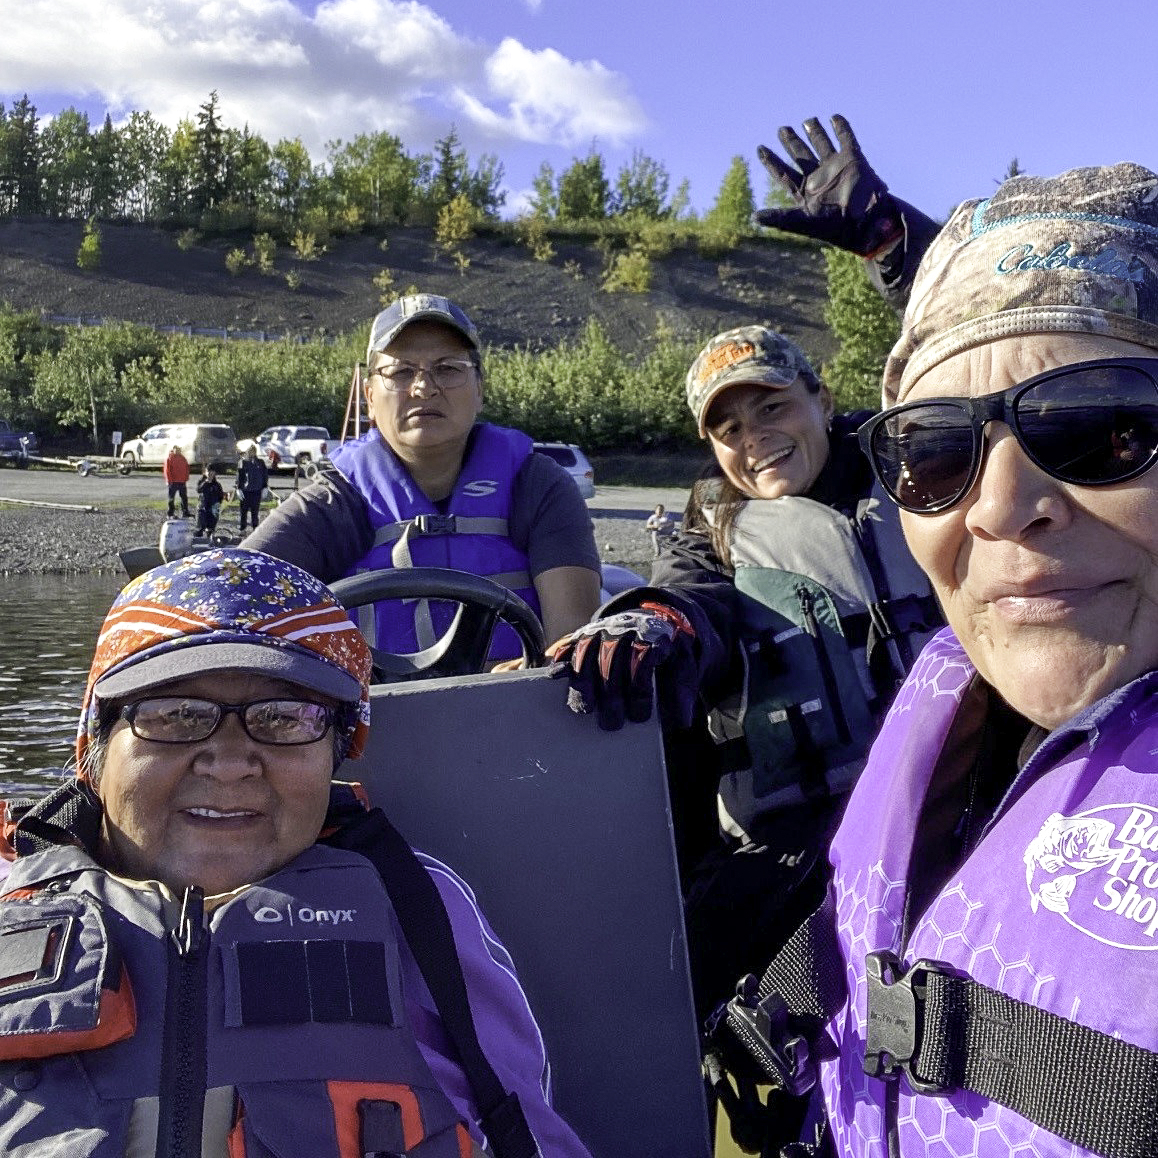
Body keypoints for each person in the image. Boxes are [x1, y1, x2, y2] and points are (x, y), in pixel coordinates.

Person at [722, 162, 1158, 1158]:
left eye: (1100, 428)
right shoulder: (724, 537)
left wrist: (899, 248)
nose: (998, 506)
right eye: (932, 452)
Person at [0, 547, 590, 1157]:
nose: (229, 764)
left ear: (337, 749)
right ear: (95, 744)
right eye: (174, 715)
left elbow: (527, 1130)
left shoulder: (419, 906)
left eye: (284, 718)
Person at [553, 324, 942, 1027]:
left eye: (772, 407)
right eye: (728, 426)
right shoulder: (713, 530)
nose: (754, 435)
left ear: (821, 400)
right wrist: (653, 620)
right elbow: (686, 594)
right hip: (807, 833)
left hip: (964, 797)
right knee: (681, 997)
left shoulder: (924, 469)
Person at [245, 293, 601, 661]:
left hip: (513, 707)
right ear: (369, 396)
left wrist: (532, 672)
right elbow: (231, 591)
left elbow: (570, 637)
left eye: (448, 368)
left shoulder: (539, 487)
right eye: (401, 372)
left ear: (480, 388)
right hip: (379, 715)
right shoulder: (334, 504)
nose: (424, 387)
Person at [234, 443, 270, 533]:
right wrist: (238, 488)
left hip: (256, 491)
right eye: (250, 451)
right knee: (243, 512)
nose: (251, 453)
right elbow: (239, 476)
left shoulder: (260, 463)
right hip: (245, 491)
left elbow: (264, 475)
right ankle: (243, 528)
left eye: (253, 451)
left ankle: (255, 529)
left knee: (255, 512)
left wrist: (265, 487)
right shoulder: (242, 462)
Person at [195, 464, 225, 537]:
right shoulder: (201, 482)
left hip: (213, 508)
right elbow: (198, 490)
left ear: (214, 474)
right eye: (208, 472)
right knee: (201, 526)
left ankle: (210, 539)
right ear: (205, 472)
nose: (210, 475)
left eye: (212, 473)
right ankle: (198, 539)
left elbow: (220, 496)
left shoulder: (217, 485)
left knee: (211, 527)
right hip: (203, 508)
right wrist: (205, 482)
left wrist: (218, 504)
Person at [163, 443, 191, 518]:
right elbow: (167, 470)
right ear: (173, 449)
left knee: (184, 498)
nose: (178, 450)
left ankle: (185, 512)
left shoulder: (183, 458)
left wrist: (186, 478)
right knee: (171, 498)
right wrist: (169, 480)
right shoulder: (169, 458)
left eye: (179, 449)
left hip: (182, 481)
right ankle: (170, 513)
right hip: (173, 482)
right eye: (176, 448)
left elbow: (186, 468)